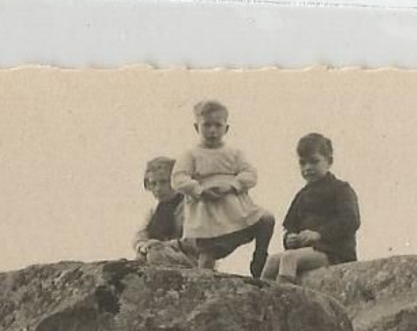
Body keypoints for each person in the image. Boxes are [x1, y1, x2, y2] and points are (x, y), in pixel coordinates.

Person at [171, 100, 275, 279]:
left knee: (266, 219)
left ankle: (260, 258)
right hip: (208, 217)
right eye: (207, 125)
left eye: (218, 125)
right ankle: (203, 286)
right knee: (207, 256)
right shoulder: (191, 155)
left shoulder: (234, 153)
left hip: (236, 212)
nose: (212, 131)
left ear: (226, 128)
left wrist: (233, 185)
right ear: (197, 127)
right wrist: (199, 190)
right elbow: (178, 178)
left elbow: (250, 174)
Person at [262, 132, 361, 284]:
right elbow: (290, 227)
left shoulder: (340, 189)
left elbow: (351, 221)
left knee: (289, 258)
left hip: (334, 252)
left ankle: (284, 298)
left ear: (329, 161)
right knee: (272, 261)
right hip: (307, 252)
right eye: (303, 163)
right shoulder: (302, 195)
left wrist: (319, 234)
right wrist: (290, 238)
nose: (308, 168)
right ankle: (261, 300)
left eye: (314, 162)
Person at [132, 156, 197, 268]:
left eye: (164, 182)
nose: (158, 188)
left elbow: (195, 241)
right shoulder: (154, 210)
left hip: (189, 259)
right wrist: (143, 246)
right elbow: (140, 235)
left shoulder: (190, 206)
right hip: (157, 251)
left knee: (156, 255)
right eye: (153, 184)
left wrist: (164, 245)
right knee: (139, 260)